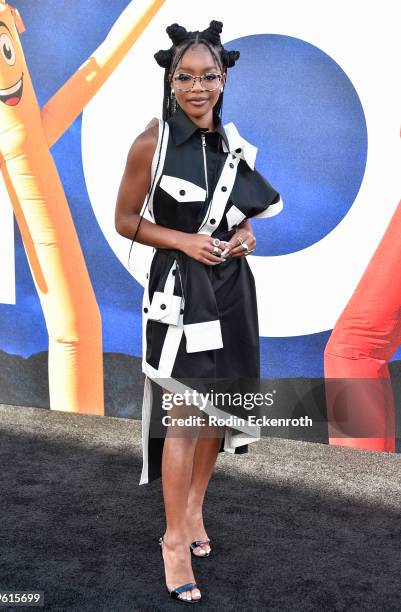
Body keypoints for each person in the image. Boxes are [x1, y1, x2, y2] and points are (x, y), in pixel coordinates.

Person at [115, 19, 283, 603]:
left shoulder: (236, 147)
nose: (197, 87)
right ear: (169, 78)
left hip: (232, 289)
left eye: (208, 76)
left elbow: (245, 213)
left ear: (224, 79)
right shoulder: (151, 142)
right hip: (179, 293)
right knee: (185, 416)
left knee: (215, 411)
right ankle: (171, 542)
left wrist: (243, 236)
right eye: (184, 77)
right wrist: (184, 241)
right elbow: (125, 220)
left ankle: (192, 513)